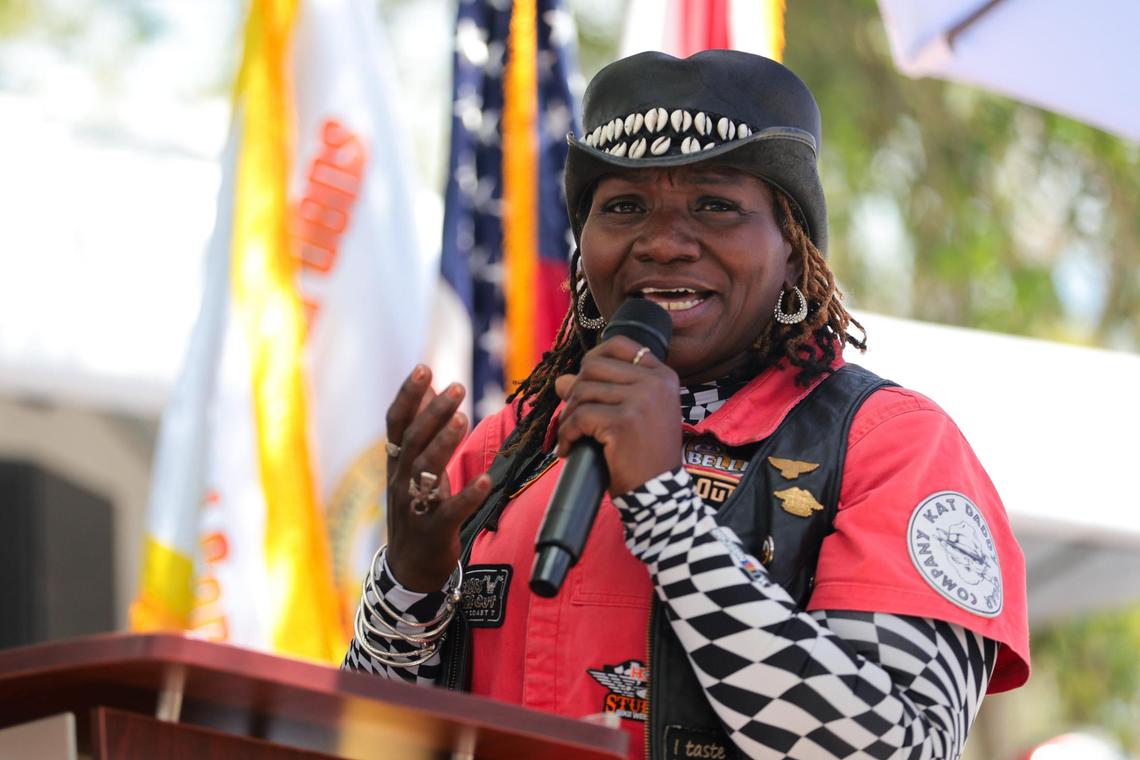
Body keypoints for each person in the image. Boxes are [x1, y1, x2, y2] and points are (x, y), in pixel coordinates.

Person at [344, 50, 1029, 759]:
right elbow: (369, 745)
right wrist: (407, 587)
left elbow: (898, 750)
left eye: (715, 205)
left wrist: (665, 512)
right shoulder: (504, 449)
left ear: (794, 250)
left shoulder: (891, 447)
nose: (663, 242)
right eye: (624, 207)